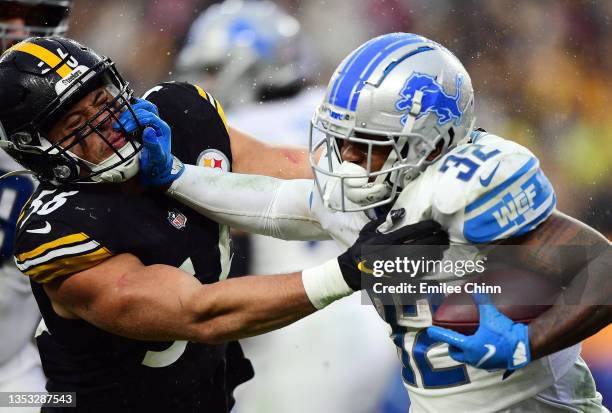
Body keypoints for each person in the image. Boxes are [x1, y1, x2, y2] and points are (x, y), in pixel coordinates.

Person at [141, 32, 612, 412]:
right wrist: (177, 177)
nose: (346, 160)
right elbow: (274, 204)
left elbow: (603, 271)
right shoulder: (370, 196)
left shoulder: (471, 188)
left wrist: (525, 342)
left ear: (433, 141)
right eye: (341, 140)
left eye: (365, 144)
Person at [0, 36, 442, 412]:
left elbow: (287, 169)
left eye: (103, 101)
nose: (107, 123)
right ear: (36, 151)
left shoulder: (177, 118)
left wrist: (408, 183)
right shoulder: (61, 230)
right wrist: (349, 271)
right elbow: (199, 312)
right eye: (78, 124)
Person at [176, 2, 398, 412]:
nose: (202, 82)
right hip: (374, 317)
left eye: (210, 69)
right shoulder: (335, 113)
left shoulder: (236, 131)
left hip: (291, 324)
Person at [0, 1, 72, 408]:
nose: (16, 29)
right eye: (7, 11)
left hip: (19, 369)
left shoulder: (71, 114)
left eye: (33, 17)